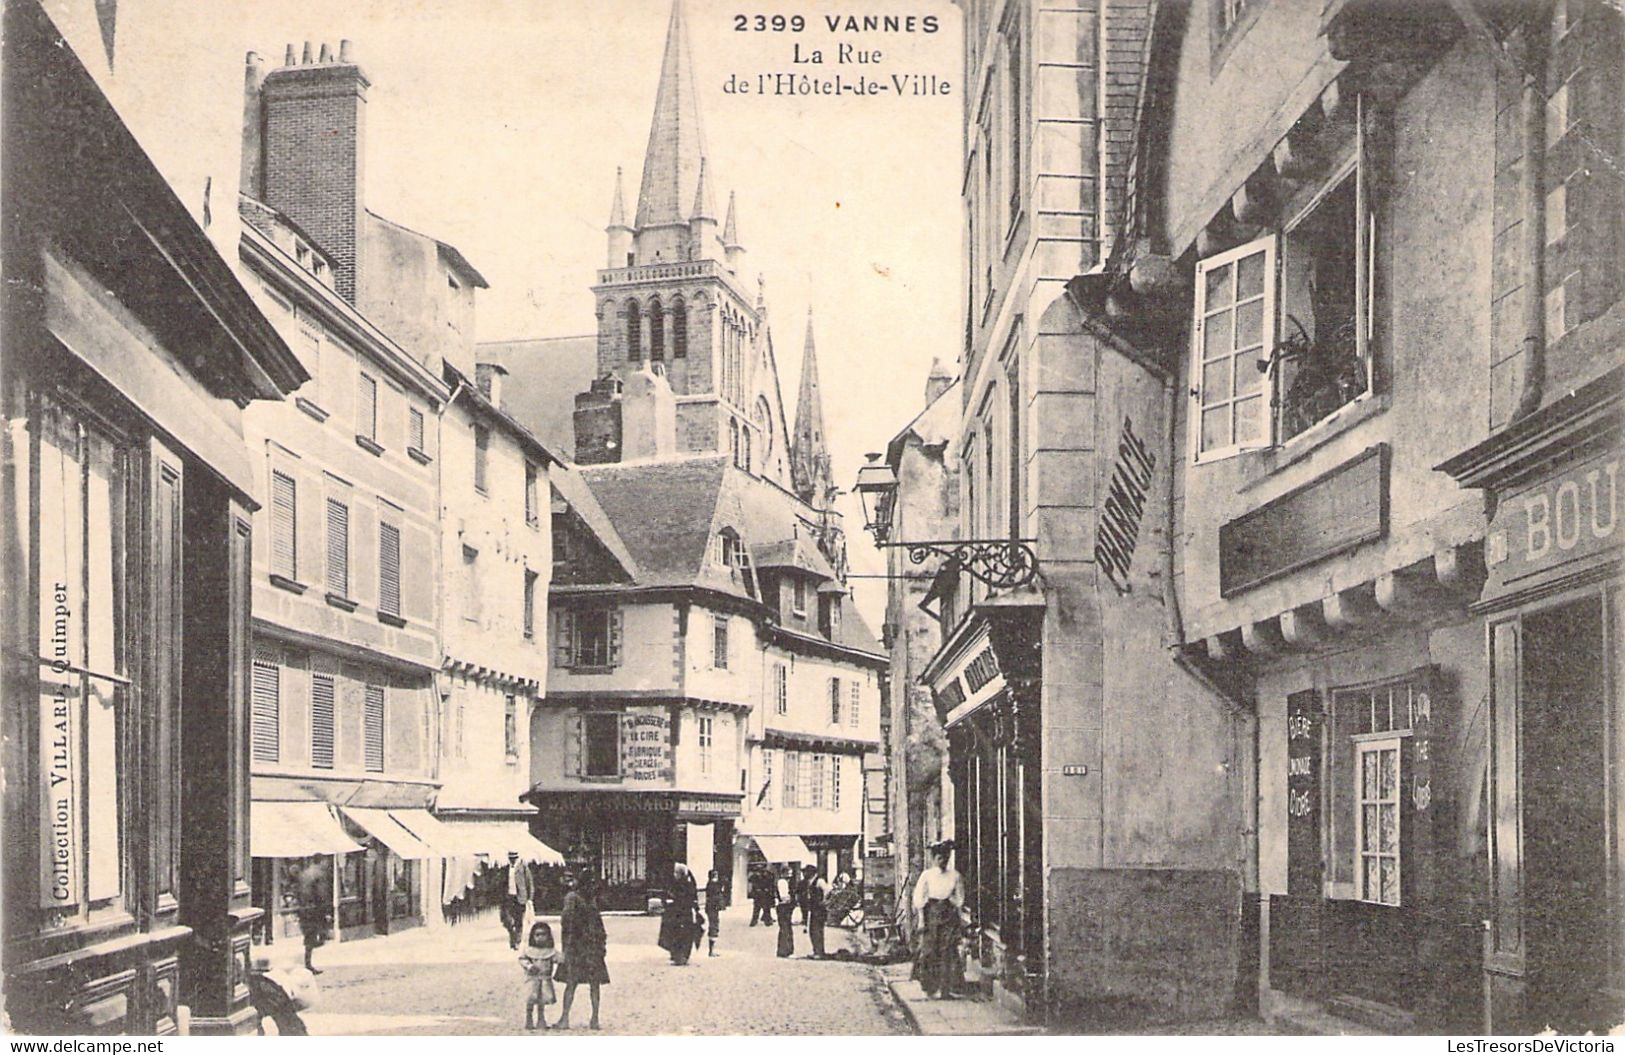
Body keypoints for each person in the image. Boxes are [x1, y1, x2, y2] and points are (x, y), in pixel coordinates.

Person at [912, 840, 965, 999]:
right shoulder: (927, 875)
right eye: (940, 858)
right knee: (930, 951)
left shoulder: (955, 876)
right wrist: (921, 920)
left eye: (946, 858)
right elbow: (919, 898)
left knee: (948, 951)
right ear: (934, 859)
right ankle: (930, 987)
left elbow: (960, 899)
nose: (943, 861)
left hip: (948, 915)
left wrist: (952, 905)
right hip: (931, 915)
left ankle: (946, 990)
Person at [555, 872, 608, 1031]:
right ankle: (595, 1019)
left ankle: (565, 1018)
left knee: (571, 983)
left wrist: (566, 948)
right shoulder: (592, 900)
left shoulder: (572, 898)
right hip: (592, 947)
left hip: (577, 947)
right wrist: (602, 945)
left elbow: (567, 924)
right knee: (594, 984)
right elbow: (599, 925)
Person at [519, 920, 559, 1030]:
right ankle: (529, 1019)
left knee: (542, 1000)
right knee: (531, 999)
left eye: (543, 934)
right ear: (532, 936)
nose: (540, 937)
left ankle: (541, 1019)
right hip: (532, 979)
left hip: (545, 979)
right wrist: (529, 966)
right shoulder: (529, 950)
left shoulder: (550, 951)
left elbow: (558, 958)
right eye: (537, 935)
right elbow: (522, 959)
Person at [658, 863, 701, 965]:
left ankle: (682, 957)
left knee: (683, 934)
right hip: (675, 913)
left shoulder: (687, 884)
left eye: (676, 873)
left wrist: (674, 900)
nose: (674, 874)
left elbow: (688, 898)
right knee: (673, 932)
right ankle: (676, 955)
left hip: (684, 913)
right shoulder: (676, 883)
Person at [294, 859, 330, 976]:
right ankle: (308, 964)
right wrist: (326, 911)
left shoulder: (303, 874)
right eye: (325, 862)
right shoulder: (319, 874)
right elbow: (321, 894)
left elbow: (297, 891)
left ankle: (308, 963)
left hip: (303, 909)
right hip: (314, 909)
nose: (327, 864)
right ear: (321, 862)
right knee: (314, 936)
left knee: (309, 936)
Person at [500, 850, 534, 951]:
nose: (512, 860)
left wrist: (530, 898)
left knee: (518, 920)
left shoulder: (523, 867)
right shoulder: (506, 868)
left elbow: (529, 882)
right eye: (510, 858)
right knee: (507, 920)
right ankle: (513, 936)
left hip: (520, 897)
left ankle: (517, 941)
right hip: (509, 897)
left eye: (514, 858)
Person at [802, 864, 830, 959]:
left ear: (811, 872)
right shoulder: (810, 881)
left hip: (819, 910)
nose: (804, 874)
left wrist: (823, 901)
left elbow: (827, 891)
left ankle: (819, 952)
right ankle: (816, 951)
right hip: (814, 909)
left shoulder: (819, 881)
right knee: (813, 930)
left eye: (806, 872)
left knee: (817, 930)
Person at [774, 864, 795, 958]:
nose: (790, 876)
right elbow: (784, 897)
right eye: (788, 873)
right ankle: (784, 950)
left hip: (784, 906)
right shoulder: (782, 882)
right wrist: (790, 898)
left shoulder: (785, 882)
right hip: (783, 907)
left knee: (786, 928)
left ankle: (786, 950)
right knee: (785, 928)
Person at [703, 869, 726, 957]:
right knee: (714, 926)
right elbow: (716, 896)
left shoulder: (711, 884)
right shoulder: (713, 885)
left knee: (714, 926)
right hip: (712, 908)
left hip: (711, 908)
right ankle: (711, 950)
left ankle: (712, 949)